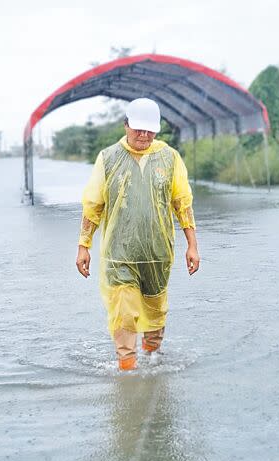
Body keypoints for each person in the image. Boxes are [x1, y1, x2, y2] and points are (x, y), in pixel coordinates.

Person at [76, 97, 200, 371]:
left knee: (156, 314)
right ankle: (128, 373)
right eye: (138, 129)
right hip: (119, 253)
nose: (144, 135)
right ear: (126, 125)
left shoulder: (169, 157)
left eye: (149, 130)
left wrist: (192, 245)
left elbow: (183, 202)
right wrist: (83, 245)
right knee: (123, 313)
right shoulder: (108, 158)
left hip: (158, 253)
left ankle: (153, 359)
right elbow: (93, 204)